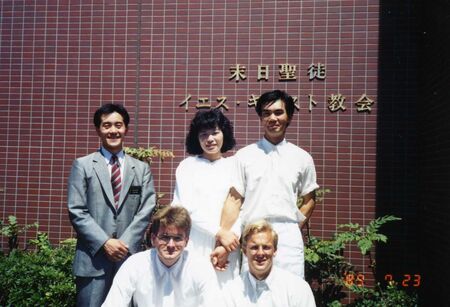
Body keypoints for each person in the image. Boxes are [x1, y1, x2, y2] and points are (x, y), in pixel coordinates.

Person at [216, 89, 319, 278]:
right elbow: (234, 200)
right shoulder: (245, 156)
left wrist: (292, 227)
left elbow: (310, 199)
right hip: (254, 234)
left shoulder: (302, 158)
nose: (273, 118)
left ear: (289, 117)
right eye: (266, 113)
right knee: (253, 294)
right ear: (261, 118)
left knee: (290, 291)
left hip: (288, 237)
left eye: (278, 112)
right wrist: (224, 237)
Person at [67, 103, 156, 307]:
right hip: (93, 260)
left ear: (126, 128)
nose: (113, 130)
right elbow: (76, 210)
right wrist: (105, 242)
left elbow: (147, 207)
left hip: (129, 257)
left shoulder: (141, 169)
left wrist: (124, 243)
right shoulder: (83, 165)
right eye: (107, 125)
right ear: (98, 129)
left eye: (118, 125)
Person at [102, 206, 222, 307]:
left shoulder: (200, 267)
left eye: (177, 238)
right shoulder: (135, 265)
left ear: (186, 241)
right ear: (153, 239)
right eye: (164, 237)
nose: (171, 245)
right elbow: (114, 303)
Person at [172, 109, 240, 286]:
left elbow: (242, 208)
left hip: (228, 245)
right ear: (196, 138)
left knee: (226, 294)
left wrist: (226, 244)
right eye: (204, 134)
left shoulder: (234, 166)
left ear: (224, 133)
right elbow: (184, 210)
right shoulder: (187, 167)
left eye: (215, 132)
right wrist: (219, 232)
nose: (210, 139)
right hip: (195, 241)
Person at [224, 220, 316, 307]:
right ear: (244, 251)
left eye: (266, 247)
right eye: (254, 247)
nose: (260, 253)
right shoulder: (231, 291)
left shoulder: (297, 288)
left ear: (275, 250)